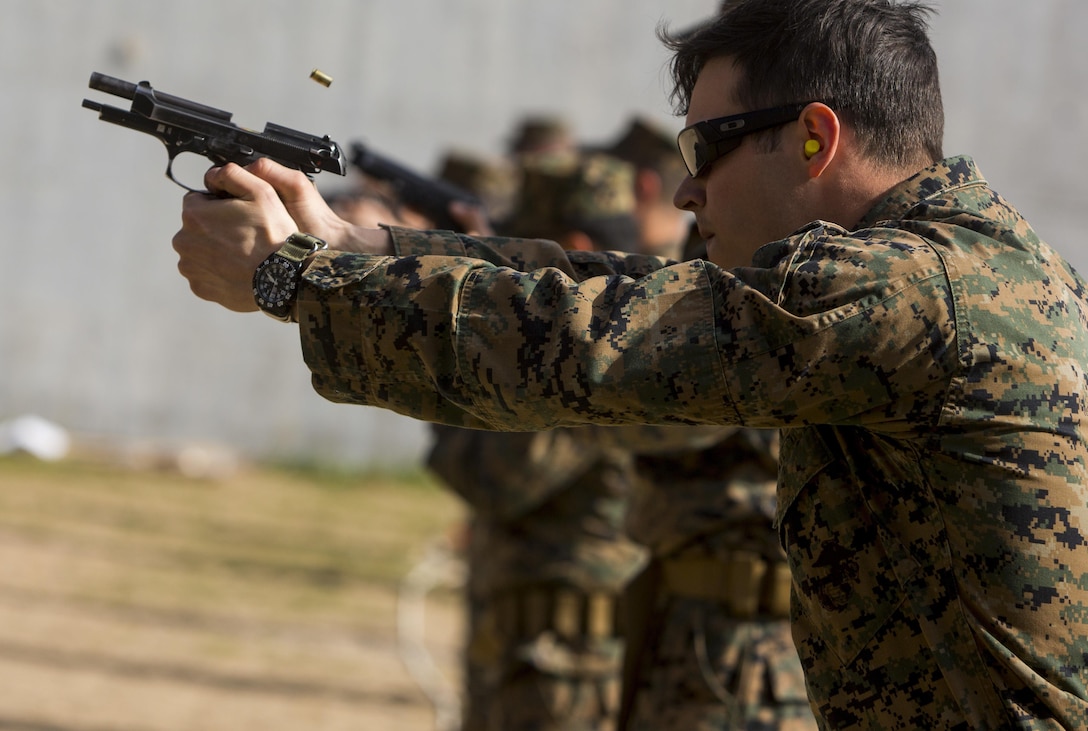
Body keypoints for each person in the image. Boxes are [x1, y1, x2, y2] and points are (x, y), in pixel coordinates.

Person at [171, 1, 1088, 728]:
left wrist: (294, 279)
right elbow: (631, 288)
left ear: (815, 137)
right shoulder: (962, 265)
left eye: (707, 147)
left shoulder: (904, 288)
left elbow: (591, 343)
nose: (688, 188)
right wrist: (358, 244)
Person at [426, 152, 648, 731]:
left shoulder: (599, 353)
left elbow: (493, 478)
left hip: (567, 666)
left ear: (569, 242)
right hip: (530, 645)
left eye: (521, 249)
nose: (511, 265)